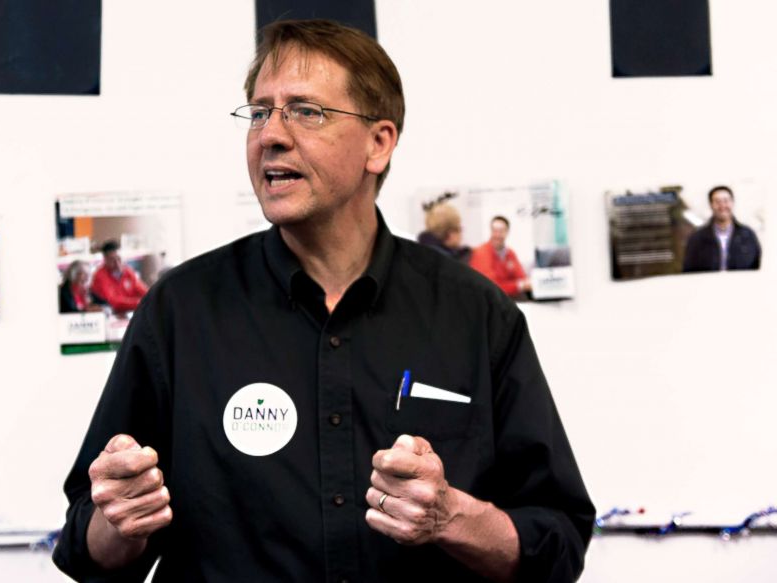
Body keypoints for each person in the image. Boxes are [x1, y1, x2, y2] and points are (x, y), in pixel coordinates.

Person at [54, 19, 593, 583]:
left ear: (378, 144)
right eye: (260, 112)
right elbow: (85, 546)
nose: (271, 135)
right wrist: (118, 524)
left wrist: (452, 517)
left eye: (306, 111)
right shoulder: (180, 311)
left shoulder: (477, 314)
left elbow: (556, 545)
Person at [682, 185, 761, 272]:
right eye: (717, 201)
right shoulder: (697, 238)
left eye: (726, 201)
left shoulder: (748, 235)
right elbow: (689, 271)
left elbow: (757, 267)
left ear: (732, 203)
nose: (722, 205)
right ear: (711, 205)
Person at [469, 216, 532, 298]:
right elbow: (492, 287)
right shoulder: (481, 253)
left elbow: (522, 278)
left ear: (507, 232)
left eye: (501, 231)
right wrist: (518, 286)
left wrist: (522, 284)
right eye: (495, 230)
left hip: (507, 300)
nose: (497, 235)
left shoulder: (510, 253)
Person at [89, 240, 149, 314]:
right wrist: (140, 302)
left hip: (130, 312)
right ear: (105, 260)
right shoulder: (100, 276)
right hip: (111, 315)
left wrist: (151, 299)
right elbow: (114, 302)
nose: (117, 263)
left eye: (119, 258)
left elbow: (143, 291)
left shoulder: (128, 271)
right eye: (112, 260)